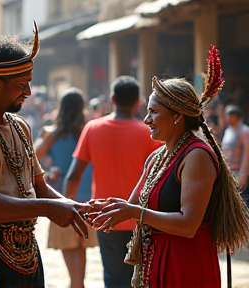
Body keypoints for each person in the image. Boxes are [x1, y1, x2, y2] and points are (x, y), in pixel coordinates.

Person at [89, 45, 249, 288]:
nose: (146, 119)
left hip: (185, 262)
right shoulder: (157, 156)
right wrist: (100, 207)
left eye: (153, 112)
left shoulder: (196, 156)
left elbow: (188, 225)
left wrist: (134, 213)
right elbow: (133, 205)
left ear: (177, 115)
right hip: (156, 259)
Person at [0, 21, 90, 288]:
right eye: (22, 84)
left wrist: (73, 207)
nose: (29, 93)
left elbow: (38, 186)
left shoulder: (20, 126)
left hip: (25, 252)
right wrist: (46, 208)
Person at [63, 75, 162, 288]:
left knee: (112, 276)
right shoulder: (149, 133)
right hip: (140, 216)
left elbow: (73, 175)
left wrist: (67, 206)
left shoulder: (93, 128)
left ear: (113, 99)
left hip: (105, 216)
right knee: (141, 276)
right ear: (138, 102)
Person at [35, 87, 98, 288]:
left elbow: (33, 157)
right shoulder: (88, 131)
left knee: (69, 247)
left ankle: (77, 284)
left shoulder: (53, 133)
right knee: (81, 246)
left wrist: (51, 169)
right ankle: (79, 283)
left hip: (62, 195)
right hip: (88, 194)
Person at [221, 104, 249, 207]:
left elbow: (247, 154)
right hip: (230, 171)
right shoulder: (228, 131)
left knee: (242, 203)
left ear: (234, 116)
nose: (226, 118)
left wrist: (243, 174)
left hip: (240, 173)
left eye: (228, 115)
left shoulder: (245, 131)